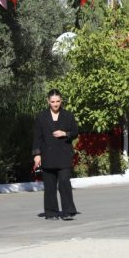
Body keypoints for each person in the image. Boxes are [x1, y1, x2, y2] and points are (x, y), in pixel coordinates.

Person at [32, 89, 79, 221]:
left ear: (61, 101)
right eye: (52, 102)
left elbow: (75, 132)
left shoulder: (68, 116)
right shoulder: (41, 117)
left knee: (64, 182)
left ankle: (68, 211)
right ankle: (51, 212)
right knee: (50, 185)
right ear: (48, 101)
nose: (55, 104)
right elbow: (37, 137)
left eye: (58, 101)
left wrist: (65, 133)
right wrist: (37, 155)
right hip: (47, 155)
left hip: (64, 155)